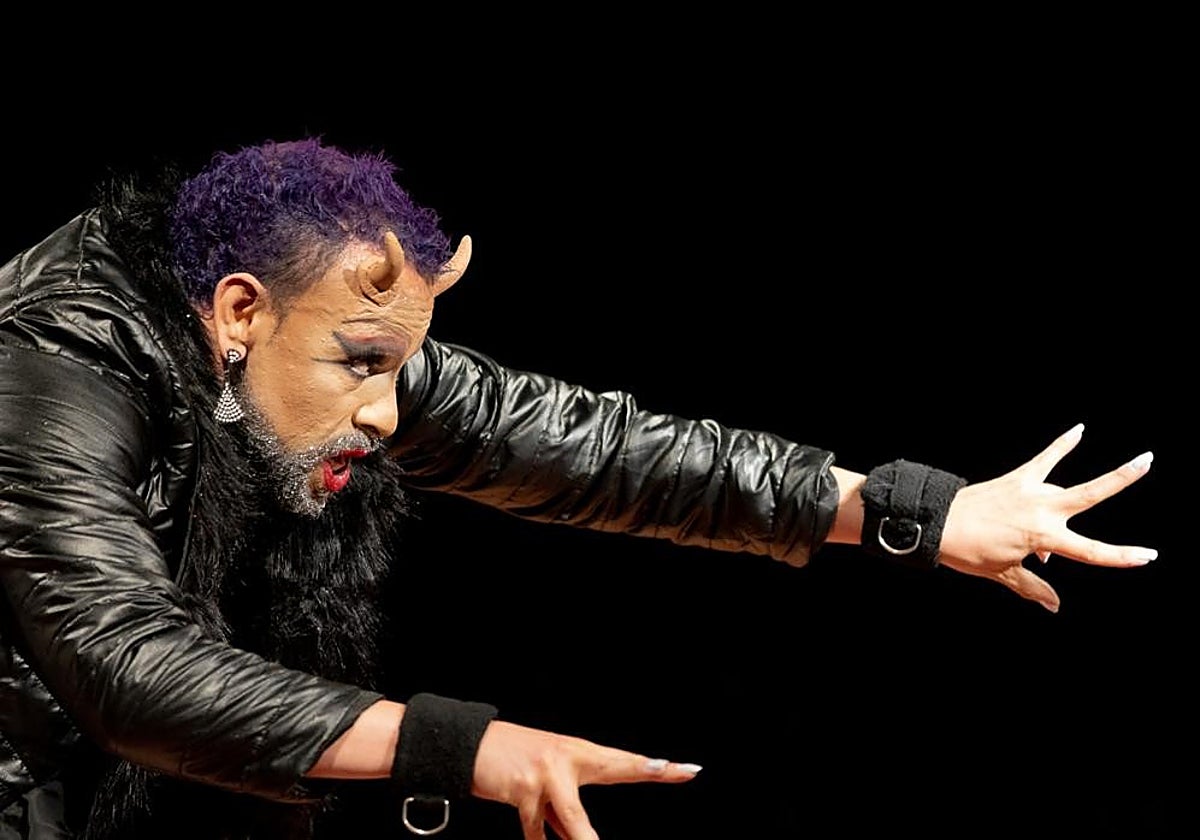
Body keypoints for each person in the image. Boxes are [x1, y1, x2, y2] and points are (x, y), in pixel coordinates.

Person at [0, 137, 1157, 840]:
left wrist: (917, 512)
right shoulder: (49, 370)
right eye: (364, 365)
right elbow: (124, 663)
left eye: (399, 368)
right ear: (240, 310)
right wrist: (458, 748)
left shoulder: (317, 345)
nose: (389, 413)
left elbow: (586, 447)